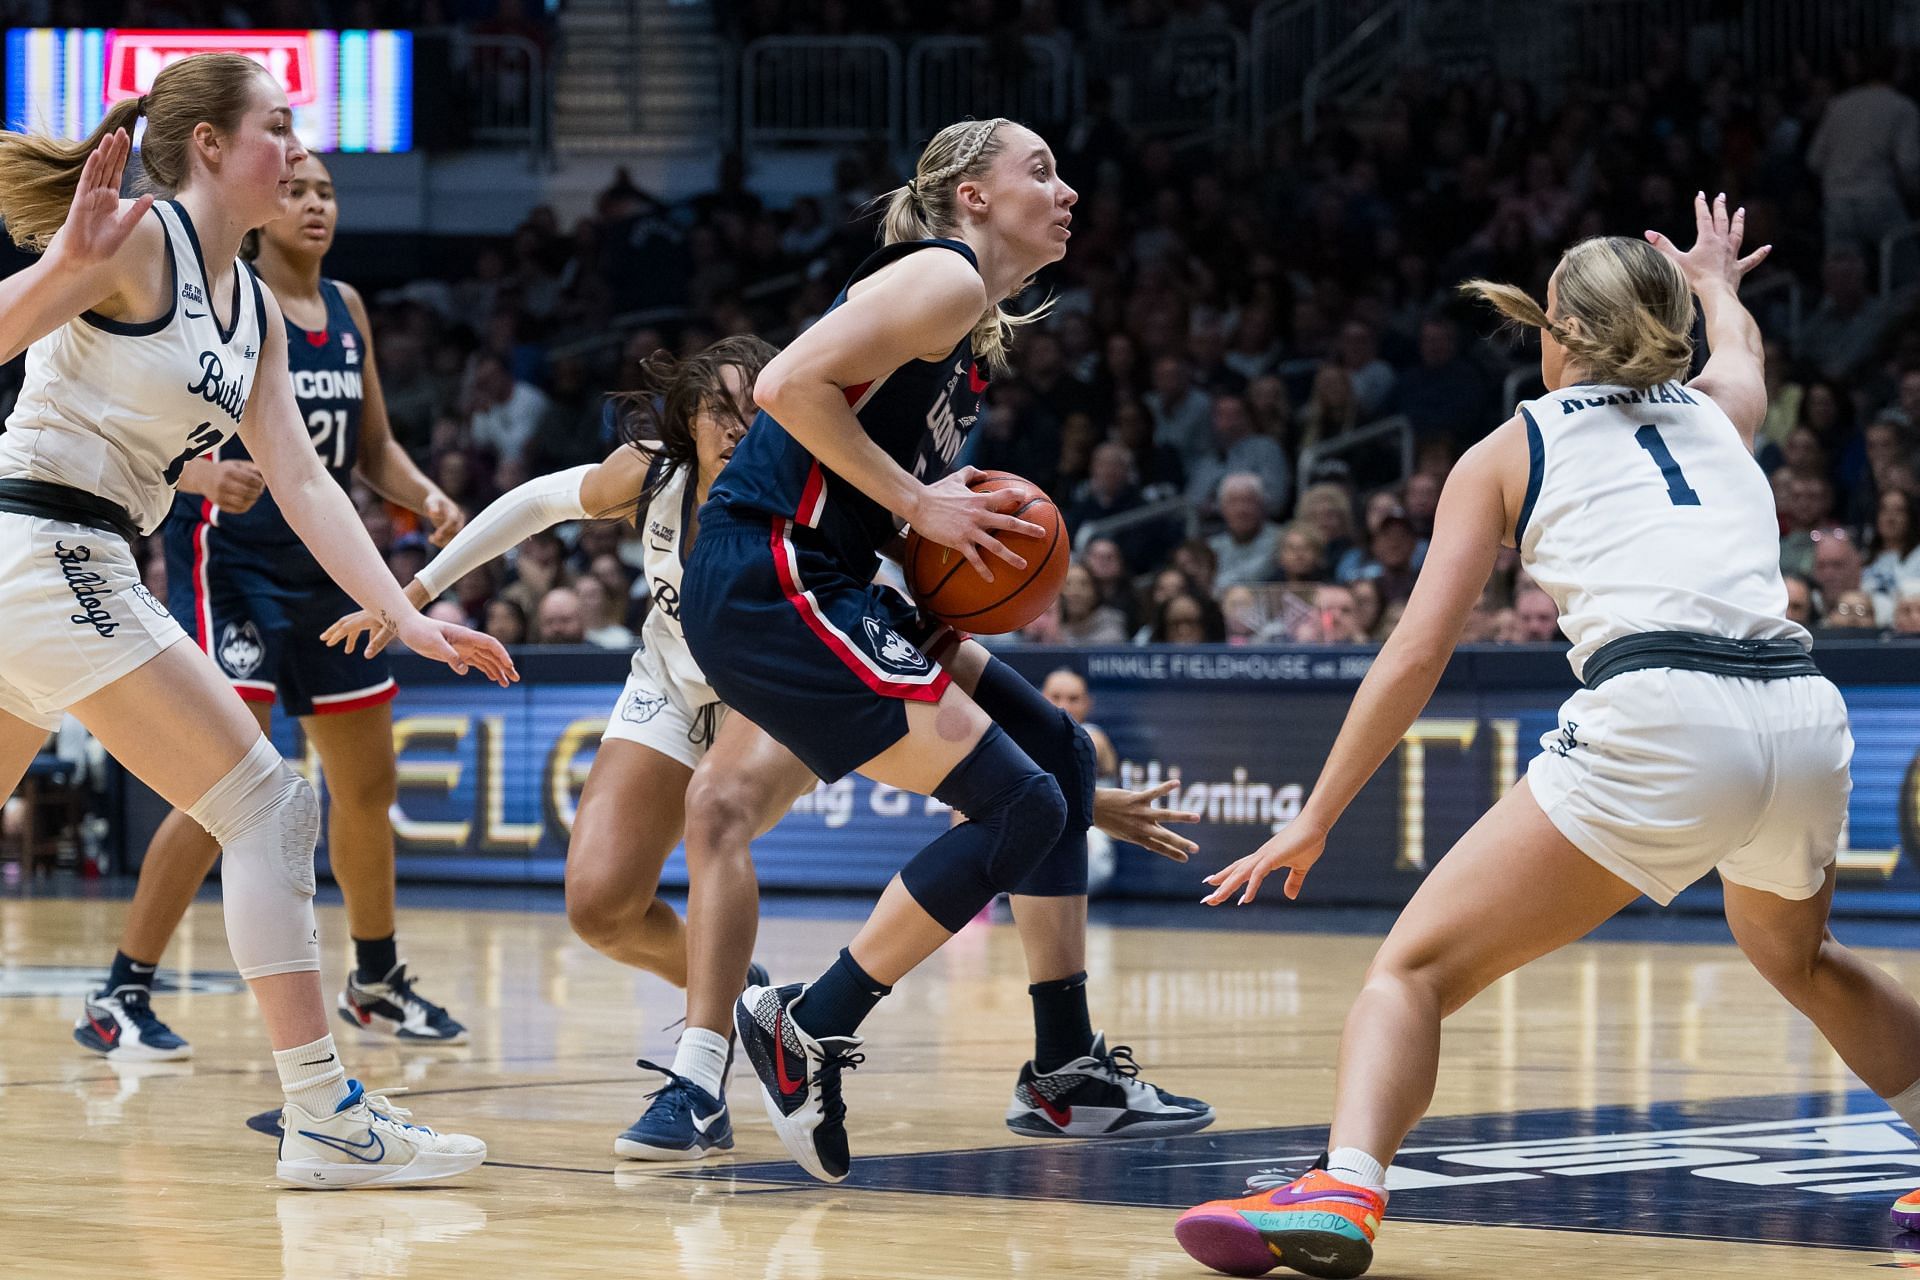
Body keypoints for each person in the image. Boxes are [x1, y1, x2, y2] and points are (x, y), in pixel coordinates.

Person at [1177, 197, 1920, 1276]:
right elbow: (1744, 349)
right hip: (1803, 713)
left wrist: (1316, 813)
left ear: (1553, 329)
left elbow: (1414, 655)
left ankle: (1345, 1181)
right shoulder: (1721, 410)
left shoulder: (1508, 446)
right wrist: (1718, 282)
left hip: (1662, 712)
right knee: (1800, 954)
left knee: (1413, 970)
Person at [331, 334, 1202, 1164]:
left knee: (720, 808)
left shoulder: (825, 485)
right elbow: (537, 502)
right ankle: (734, 982)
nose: (743, 428)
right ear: (690, 420)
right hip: (672, 684)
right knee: (599, 906)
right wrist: (412, 593)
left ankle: (698, 1080)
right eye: (722, 411)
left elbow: (925, 651)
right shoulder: (654, 473)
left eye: (760, 412)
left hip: (776, 680)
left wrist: (1068, 795)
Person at [0, 54, 510, 1185]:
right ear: (213, 149)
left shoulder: (257, 316)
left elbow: (307, 479)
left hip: (65, 562)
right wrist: (56, 276)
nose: (298, 149)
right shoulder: (136, 240)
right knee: (272, 801)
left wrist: (409, 615)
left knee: (266, 802)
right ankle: (327, 1112)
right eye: (278, 127)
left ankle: (328, 1114)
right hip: (44, 548)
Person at [678, 118, 1215, 1184]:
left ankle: (1065, 1070)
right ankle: (807, 1024)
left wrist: (923, 539)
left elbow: (884, 517)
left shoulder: (969, 331)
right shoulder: (943, 278)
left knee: (1059, 758)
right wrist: (921, 496)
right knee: (1022, 804)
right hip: (772, 572)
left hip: (831, 577)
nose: (1068, 191)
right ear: (971, 194)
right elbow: (786, 385)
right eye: (1041, 170)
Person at [79, 154, 472, 1064]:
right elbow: (141, 415)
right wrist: (198, 470)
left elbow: (370, 448)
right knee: (227, 779)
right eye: (296, 189)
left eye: (327, 192)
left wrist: (426, 497)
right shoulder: (220, 295)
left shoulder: (347, 310)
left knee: (367, 784)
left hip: (329, 569)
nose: (314, 204)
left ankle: (375, 981)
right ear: (259, 208)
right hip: (233, 561)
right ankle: (122, 990)